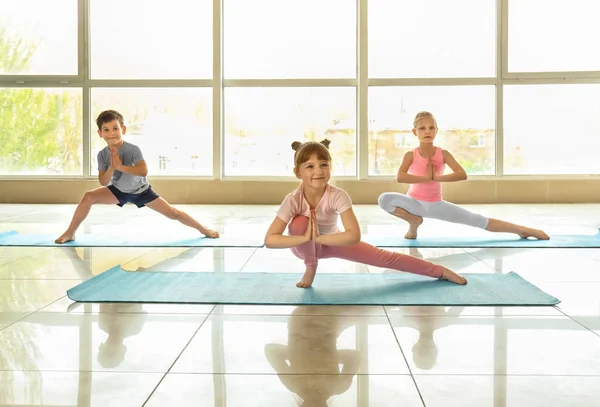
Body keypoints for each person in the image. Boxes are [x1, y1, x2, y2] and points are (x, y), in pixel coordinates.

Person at [264, 139, 467, 288]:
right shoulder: (293, 199)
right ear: (298, 173)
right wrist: (306, 238)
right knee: (299, 222)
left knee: (385, 257)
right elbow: (270, 239)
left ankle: (439, 271)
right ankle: (311, 266)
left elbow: (354, 235)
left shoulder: (338, 195)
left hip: (333, 241)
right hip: (303, 247)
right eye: (310, 166)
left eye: (323, 165)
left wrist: (320, 237)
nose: (318, 171)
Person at [377, 111, 550, 240]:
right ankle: (413, 222)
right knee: (384, 199)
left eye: (431, 128)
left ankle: (524, 230)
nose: (427, 131)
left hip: (436, 204)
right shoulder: (410, 155)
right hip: (413, 203)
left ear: (436, 131)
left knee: (479, 221)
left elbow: (462, 174)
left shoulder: (443, 153)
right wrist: (426, 178)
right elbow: (401, 177)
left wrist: (437, 178)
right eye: (422, 128)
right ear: (414, 132)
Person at [55, 109, 219, 244]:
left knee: (173, 214)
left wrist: (120, 166)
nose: (111, 133)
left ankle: (203, 229)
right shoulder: (102, 155)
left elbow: (143, 171)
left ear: (123, 130)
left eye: (115, 128)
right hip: (118, 191)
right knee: (88, 197)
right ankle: (70, 232)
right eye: (106, 129)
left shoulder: (133, 150)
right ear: (100, 133)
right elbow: (104, 181)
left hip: (142, 191)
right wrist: (112, 167)